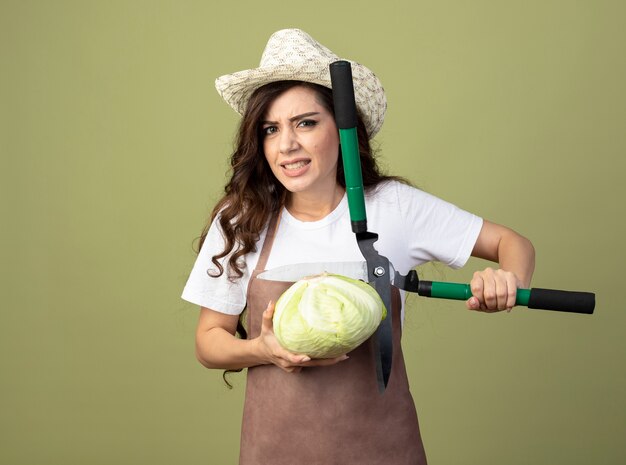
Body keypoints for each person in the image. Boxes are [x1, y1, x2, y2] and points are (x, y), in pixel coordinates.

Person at [182, 28, 535, 465]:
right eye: (271, 129)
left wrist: (510, 280)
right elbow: (207, 342)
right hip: (274, 453)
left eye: (306, 123)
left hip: (384, 450)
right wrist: (262, 349)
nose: (287, 144)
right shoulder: (241, 221)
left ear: (345, 130)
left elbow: (510, 243)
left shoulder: (394, 207)